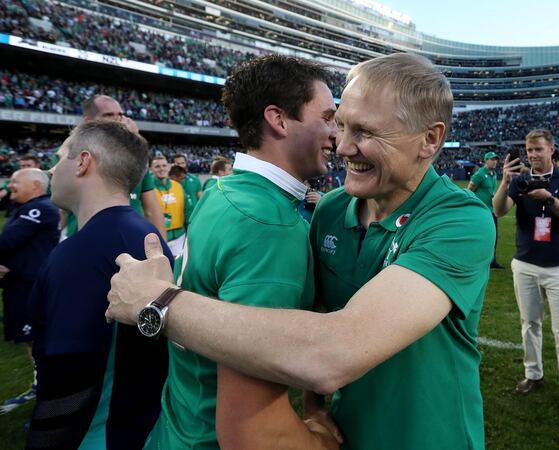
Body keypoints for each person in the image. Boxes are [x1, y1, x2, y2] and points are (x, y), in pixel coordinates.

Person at [105, 52, 494, 450]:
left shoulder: (460, 220)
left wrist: (157, 303)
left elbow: (334, 351)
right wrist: (313, 405)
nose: (343, 146)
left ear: (429, 139)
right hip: (347, 433)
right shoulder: (330, 210)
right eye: (340, 124)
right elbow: (313, 316)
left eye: (365, 132)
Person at [138, 55, 341, 450]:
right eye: (328, 117)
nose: (337, 133)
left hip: (178, 426)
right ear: (278, 120)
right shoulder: (267, 223)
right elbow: (252, 429)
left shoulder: (223, 191)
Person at [26, 121, 172, 449]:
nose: (51, 169)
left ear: (83, 162)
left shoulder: (78, 255)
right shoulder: (146, 238)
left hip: (96, 437)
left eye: (61, 157)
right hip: (143, 428)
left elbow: (67, 383)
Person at [493, 129, 559, 423]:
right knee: (529, 324)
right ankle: (533, 374)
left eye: (538, 150)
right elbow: (498, 210)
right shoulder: (520, 180)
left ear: (551, 150)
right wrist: (505, 181)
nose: (533, 155)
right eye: (528, 150)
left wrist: (550, 199)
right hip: (525, 264)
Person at [61, 95, 166, 240]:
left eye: (121, 114)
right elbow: (60, 208)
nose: (118, 120)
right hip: (86, 242)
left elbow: (153, 211)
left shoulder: (136, 158)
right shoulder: (72, 155)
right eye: (109, 115)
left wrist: (163, 252)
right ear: (88, 122)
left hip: (130, 243)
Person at [0, 168, 59, 414]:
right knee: (31, 341)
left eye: (16, 181)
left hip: (30, 288)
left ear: (35, 186)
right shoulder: (24, 208)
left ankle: (49, 393)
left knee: (38, 341)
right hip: (19, 285)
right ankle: (41, 386)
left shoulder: (40, 208)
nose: (10, 185)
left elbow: (7, 242)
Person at [468, 151, 502, 268]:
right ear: (486, 160)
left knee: (494, 235)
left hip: (492, 209)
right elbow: (469, 191)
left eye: (495, 159)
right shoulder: (480, 174)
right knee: (481, 235)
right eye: (492, 159)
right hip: (481, 210)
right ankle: (478, 259)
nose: (494, 162)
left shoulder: (494, 174)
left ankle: (492, 260)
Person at [150, 155, 189, 257]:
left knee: (177, 269)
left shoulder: (177, 186)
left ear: (168, 167)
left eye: (164, 165)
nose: (161, 169)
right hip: (157, 237)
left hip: (179, 236)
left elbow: (186, 211)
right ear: (151, 169)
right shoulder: (147, 188)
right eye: (157, 166)